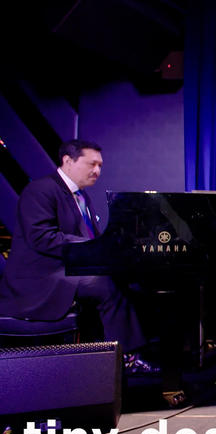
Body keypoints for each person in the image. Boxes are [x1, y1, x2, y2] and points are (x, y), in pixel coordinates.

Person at [0, 139, 157, 375]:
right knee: (104, 283)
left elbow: (87, 238)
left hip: (68, 269)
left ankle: (124, 354)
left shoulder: (82, 197)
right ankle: (126, 359)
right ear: (68, 161)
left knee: (127, 279)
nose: (97, 171)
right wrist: (96, 246)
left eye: (101, 165)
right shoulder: (41, 190)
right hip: (39, 277)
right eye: (92, 164)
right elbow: (42, 238)